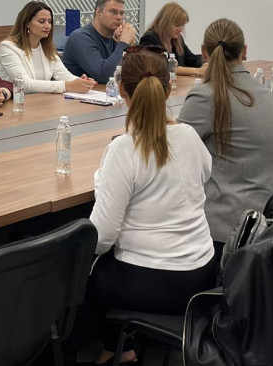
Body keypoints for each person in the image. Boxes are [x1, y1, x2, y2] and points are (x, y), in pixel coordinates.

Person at [86, 47, 216, 365]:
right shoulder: (189, 136)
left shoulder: (124, 149)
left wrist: (102, 185)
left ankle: (116, 349)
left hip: (155, 284)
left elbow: (101, 238)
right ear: (169, 89)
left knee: (87, 271)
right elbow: (202, 178)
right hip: (203, 276)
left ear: (121, 90)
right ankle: (123, 346)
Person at [177, 19, 273, 255]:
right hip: (266, 220)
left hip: (225, 228)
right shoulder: (264, 92)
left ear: (204, 52)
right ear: (244, 51)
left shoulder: (206, 96)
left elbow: (170, 153)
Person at [0, 1, 95, 94]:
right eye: (41, 21)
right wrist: (68, 85)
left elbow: (62, 74)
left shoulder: (47, 48)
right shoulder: (8, 47)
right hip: (17, 101)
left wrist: (81, 81)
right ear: (27, 23)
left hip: (42, 100)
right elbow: (24, 84)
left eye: (49, 21)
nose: (48, 26)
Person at [62, 0, 138, 84]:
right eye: (113, 12)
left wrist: (130, 45)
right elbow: (104, 76)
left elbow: (136, 73)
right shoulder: (80, 37)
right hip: (79, 92)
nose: (119, 17)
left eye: (121, 13)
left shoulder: (117, 36)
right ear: (98, 12)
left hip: (106, 91)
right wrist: (124, 42)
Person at [139, 1, 203, 75]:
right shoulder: (149, 39)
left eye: (182, 25)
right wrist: (197, 71)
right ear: (165, 22)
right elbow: (162, 68)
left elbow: (191, 60)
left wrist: (208, 60)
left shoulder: (178, 39)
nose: (180, 30)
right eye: (177, 25)